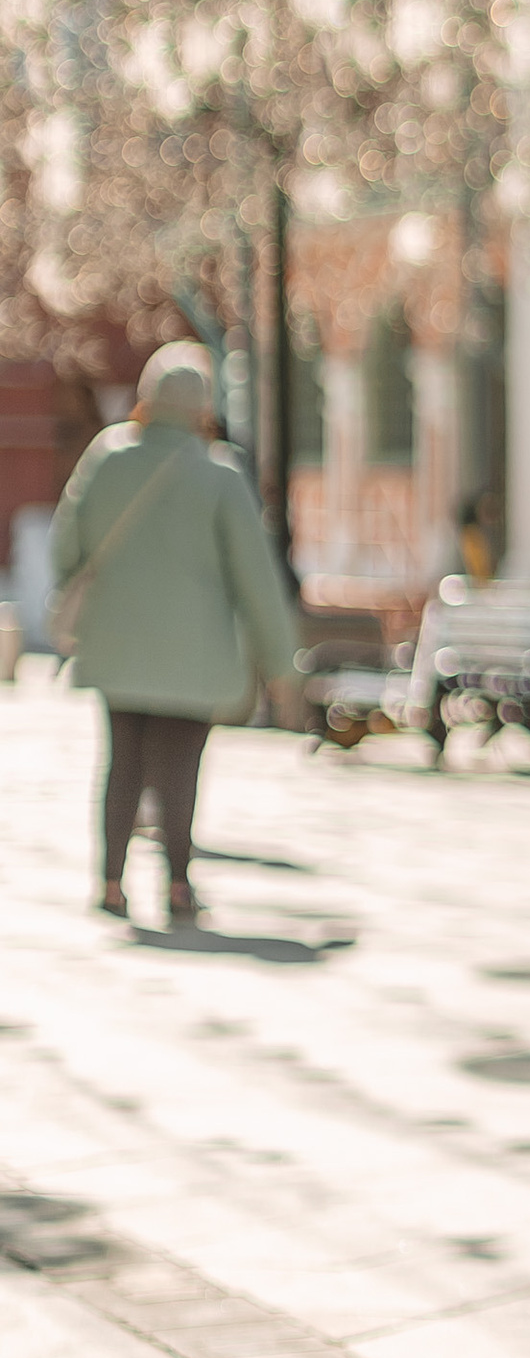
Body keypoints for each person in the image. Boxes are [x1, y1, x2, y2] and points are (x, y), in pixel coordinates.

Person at [48, 344, 302, 929]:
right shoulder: (218, 472)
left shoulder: (106, 456)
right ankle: (179, 885)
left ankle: (111, 882)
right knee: (179, 769)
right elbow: (257, 578)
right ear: (203, 406)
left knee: (122, 763)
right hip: (195, 655)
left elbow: (66, 546)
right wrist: (283, 667)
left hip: (115, 645)